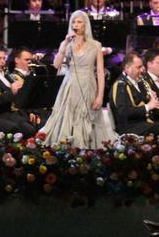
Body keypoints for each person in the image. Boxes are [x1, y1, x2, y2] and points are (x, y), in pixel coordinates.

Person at [40, 10, 108, 148]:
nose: (76, 25)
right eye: (73, 22)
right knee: (67, 116)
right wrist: (64, 44)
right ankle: (67, 147)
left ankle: (85, 147)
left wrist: (100, 96)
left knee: (86, 117)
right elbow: (56, 66)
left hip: (88, 85)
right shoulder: (67, 44)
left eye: (79, 22)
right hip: (70, 85)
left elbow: (100, 72)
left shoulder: (96, 45)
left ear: (85, 25)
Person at [0, 45, 36, 137]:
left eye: (4, 58)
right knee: (28, 129)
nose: (2, 61)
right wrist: (12, 92)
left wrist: (29, 112)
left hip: (15, 113)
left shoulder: (8, 75)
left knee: (37, 123)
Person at [109, 51, 159, 136]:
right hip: (128, 127)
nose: (142, 70)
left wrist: (149, 99)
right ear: (127, 68)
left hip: (141, 123)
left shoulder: (138, 82)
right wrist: (148, 106)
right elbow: (123, 112)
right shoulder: (120, 85)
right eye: (138, 67)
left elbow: (140, 103)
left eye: (142, 66)